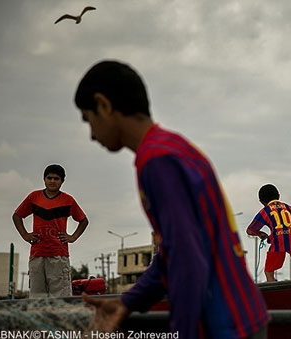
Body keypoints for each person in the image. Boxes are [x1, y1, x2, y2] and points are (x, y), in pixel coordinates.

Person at [74, 60, 269, 338]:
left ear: (103, 105)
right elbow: (174, 251)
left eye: (88, 119)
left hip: (222, 325)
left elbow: (187, 259)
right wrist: (128, 301)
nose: (92, 135)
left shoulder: (156, 161)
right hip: (244, 314)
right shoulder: (174, 146)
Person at [12, 164, 89, 298]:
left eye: (56, 178)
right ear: (44, 179)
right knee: (37, 297)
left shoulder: (68, 200)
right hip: (37, 254)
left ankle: (59, 319)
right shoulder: (34, 197)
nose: (52, 181)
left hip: (58, 255)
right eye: (49, 178)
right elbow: (17, 216)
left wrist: (73, 237)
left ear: (62, 181)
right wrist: (25, 234)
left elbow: (83, 220)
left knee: (60, 297)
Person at [246, 184, 291, 282]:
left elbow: (250, 230)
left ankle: (272, 285)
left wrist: (260, 234)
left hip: (277, 241)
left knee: (268, 271)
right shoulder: (289, 208)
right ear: (278, 196)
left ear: (261, 201)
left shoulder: (265, 211)